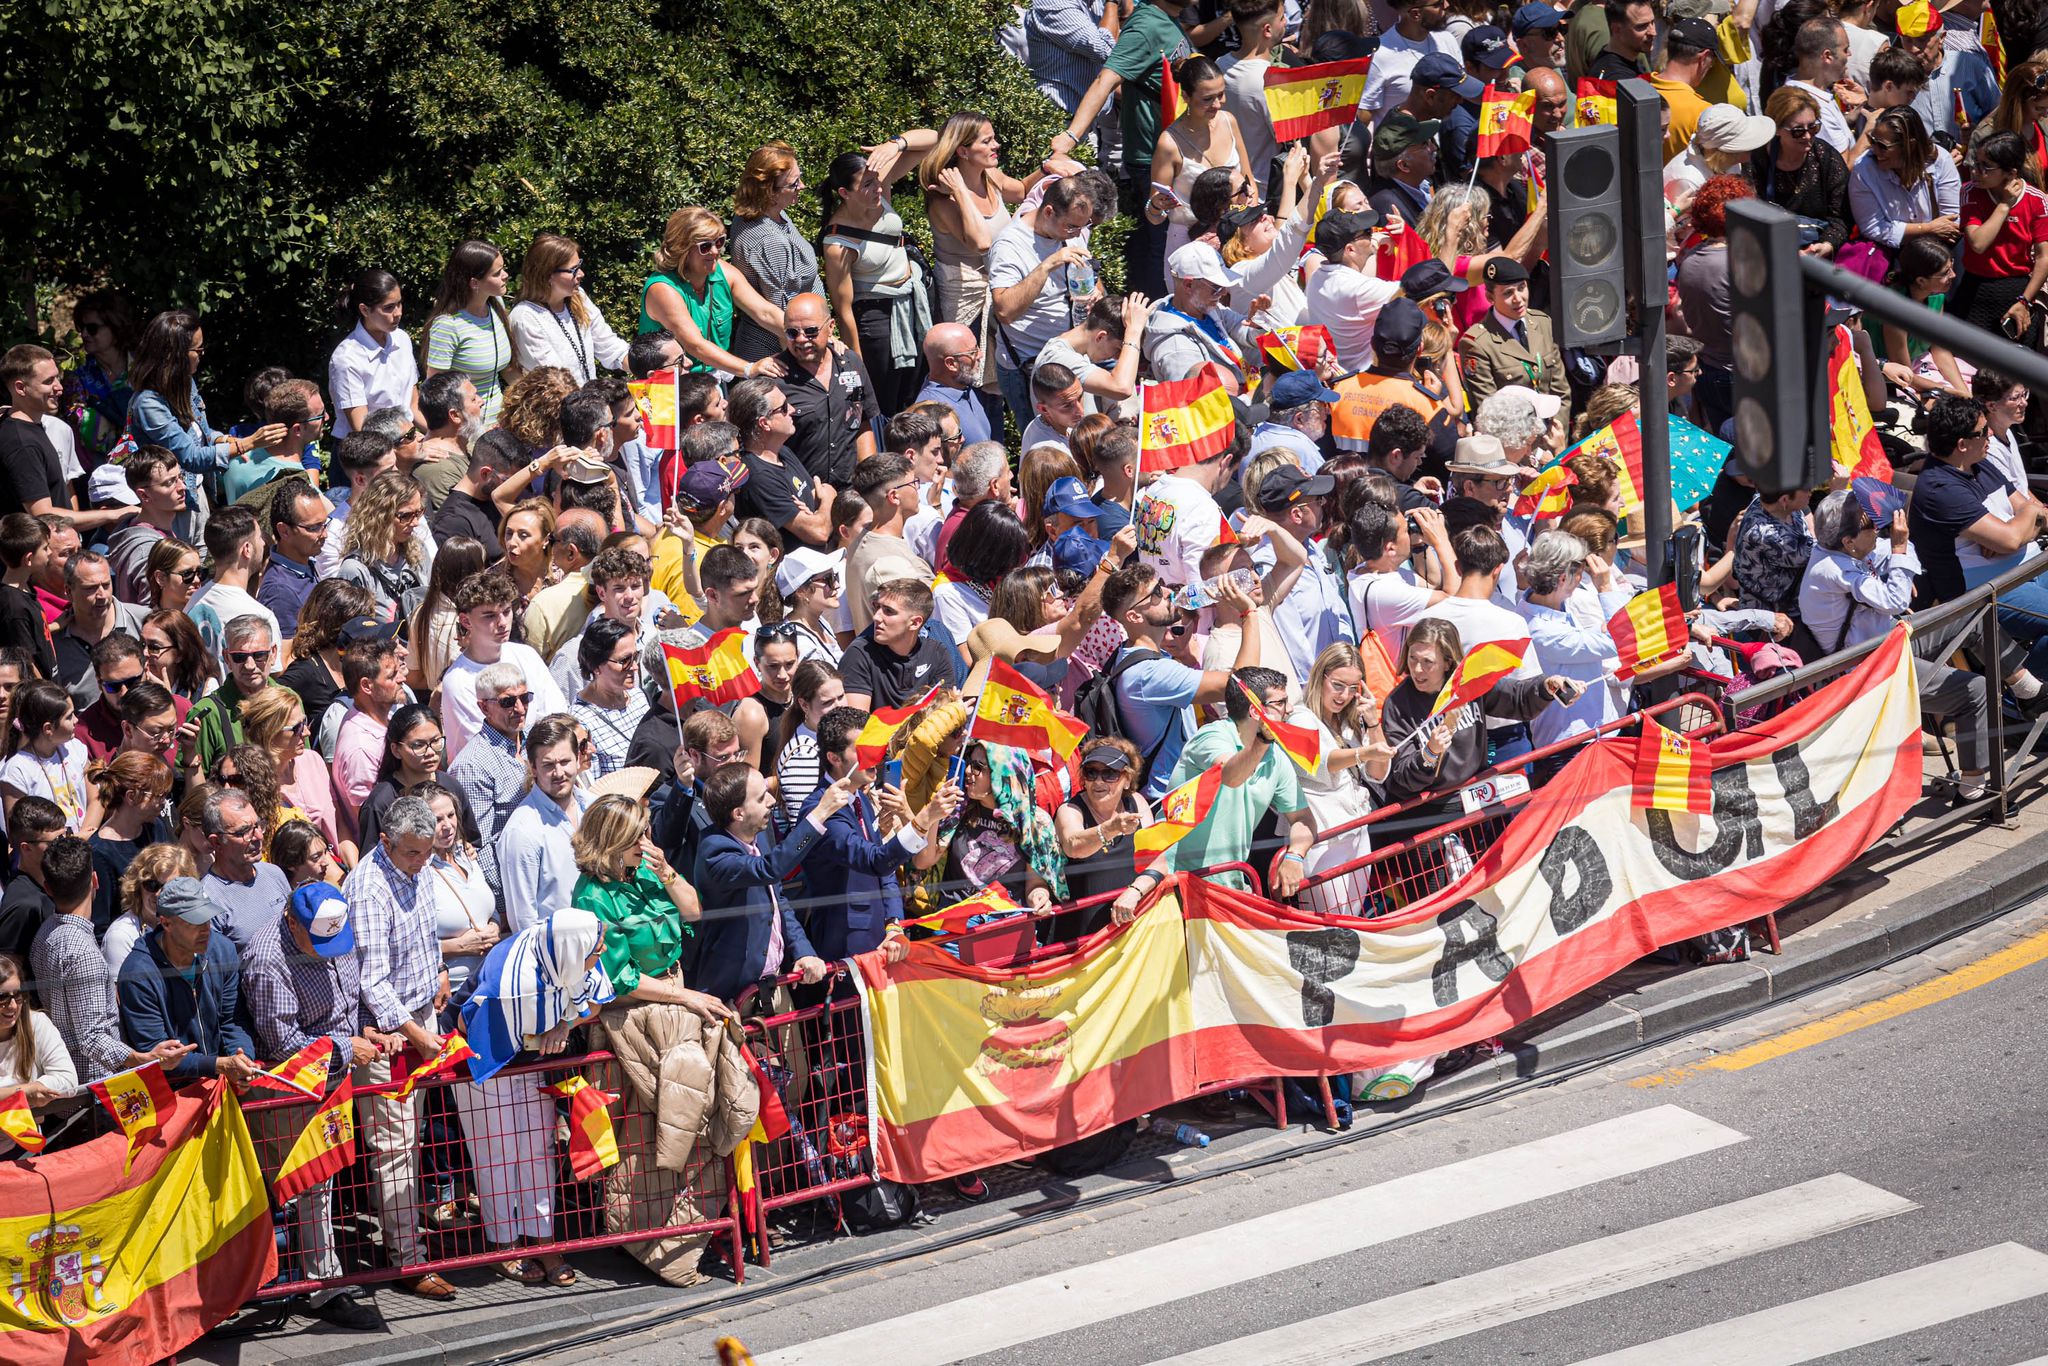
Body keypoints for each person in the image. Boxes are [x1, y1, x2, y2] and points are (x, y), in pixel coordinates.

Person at [236, 881, 385, 1328]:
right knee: (308, 1184)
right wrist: (346, 1047)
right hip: (292, 1090)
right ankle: (322, 1287)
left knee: (321, 1184)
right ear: (292, 923)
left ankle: (323, 1280)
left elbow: (347, 996)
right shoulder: (268, 960)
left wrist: (367, 1028)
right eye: (318, 942)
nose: (328, 951)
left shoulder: (330, 930)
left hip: (331, 1081)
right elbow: (282, 1043)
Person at [456, 905, 614, 1288]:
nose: (602, 953)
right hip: (485, 1054)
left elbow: (598, 998)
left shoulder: (574, 951)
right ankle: (504, 1245)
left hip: (531, 1058)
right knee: (497, 1152)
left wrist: (563, 1022)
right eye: (598, 949)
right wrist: (537, 1031)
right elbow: (467, 1021)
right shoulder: (511, 981)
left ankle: (543, 1239)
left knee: (538, 1150)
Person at [1802, 488, 1991, 797]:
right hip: (1871, 669)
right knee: (1974, 690)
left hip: (1889, 639)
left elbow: (1891, 553)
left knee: (1971, 616)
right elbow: (1897, 594)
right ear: (1848, 541)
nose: (1877, 529)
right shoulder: (1833, 570)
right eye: (1869, 526)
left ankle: (2027, 690)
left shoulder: (1843, 550)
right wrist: (1900, 554)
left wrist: (1898, 557)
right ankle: (1972, 789)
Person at [343, 795, 457, 1300]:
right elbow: (372, 980)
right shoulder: (368, 889)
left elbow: (425, 930)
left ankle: (404, 1238)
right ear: (386, 842)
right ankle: (408, 1261)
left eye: (427, 852)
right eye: (412, 853)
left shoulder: (421, 864)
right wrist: (413, 1032)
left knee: (408, 1141)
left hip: (419, 1017)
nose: (422, 861)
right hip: (386, 1036)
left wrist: (439, 970)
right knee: (394, 1147)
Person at [1113, 665, 1314, 919]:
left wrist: (1295, 855)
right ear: (1256, 710)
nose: (1290, 709)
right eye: (1281, 702)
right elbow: (1230, 775)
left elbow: (1303, 819)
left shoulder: (1275, 756)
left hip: (1229, 891)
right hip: (1174, 890)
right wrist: (1263, 741)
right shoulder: (1211, 736)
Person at [1101, 563, 1264, 798]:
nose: (1168, 593)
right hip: (1171, 800)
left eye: (1162, 587)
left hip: (1172, 793)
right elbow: (1242, 685)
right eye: (1156, 592)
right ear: (1134, 616)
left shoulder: (1129, 655)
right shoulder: (1151, 673)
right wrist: (1249, 614)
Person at [689, 762, 844, 1002]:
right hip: (734, 997)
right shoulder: (714, 852)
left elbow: (778, 901)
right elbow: (769, 869)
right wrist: (818, 815)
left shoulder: (757, 834)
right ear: (738, 813)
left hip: (774, 987)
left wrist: (803, 951)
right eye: (762, 798)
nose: (772, 801)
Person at [115, 870, 261, 1086]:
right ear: (166, 923)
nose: (205, 930)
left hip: (220, 1084)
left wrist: (242, 1057)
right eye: (194, 922)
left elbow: (233, 1020)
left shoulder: (222, 950)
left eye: (208, 920)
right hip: (172, 1094)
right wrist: (219, 1065)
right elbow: (155, 1051)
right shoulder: (138, 973)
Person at [440, 568, 568, 762]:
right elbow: (486, 749)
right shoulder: (458, 681)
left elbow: (558, 714)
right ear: (466, 621)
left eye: (506, 611)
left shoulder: (526, 655)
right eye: (490, 616)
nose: (502, 623)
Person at [729, 143, 823, 362]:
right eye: (794, 183)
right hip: (779, 354)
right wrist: (803, 365)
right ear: (770, 192)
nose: (803, 186)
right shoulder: (769, 240)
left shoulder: (769, 215)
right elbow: (784, 314)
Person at [498, 715, 587, 933]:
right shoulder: (522, 831)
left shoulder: (594, 808)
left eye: (565, 762)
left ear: (577, 759)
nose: (559, 773)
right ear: (533, 768)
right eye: (548, 765)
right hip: (557, 956)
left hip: (606, 950)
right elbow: (523, 921)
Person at [1955, 132, 2048, 339]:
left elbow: (2044, 257)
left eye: (1985, 166)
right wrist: (2005, 205)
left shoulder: (2037, 200)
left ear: (2010, 172)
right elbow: (1978, 243)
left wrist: (2024, 301)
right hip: (1975, 288)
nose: (1975, 171)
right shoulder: (1970, 192)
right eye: (1975, 163)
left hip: (2018, 291)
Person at [507, 232, 628, 384]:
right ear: (547, 274)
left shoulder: (578, 298)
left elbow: (609, 346)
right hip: (560, 405)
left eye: (580, 266)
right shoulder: (526, 318)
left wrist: (645, 368)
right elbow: (556, 382)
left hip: (589, 401)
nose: (581, 274)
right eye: (573, 270)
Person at [1749, 86, 1853, 260]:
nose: (1807, 136)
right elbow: (1748, 214)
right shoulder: (1756, 159)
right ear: (1777, 129)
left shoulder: (1826, 157)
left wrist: (1826, 245)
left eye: (1813, 127)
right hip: (1768, 252)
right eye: (1798, 131)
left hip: (1816, 253)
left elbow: (1841, 217)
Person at [1848, 107, 1962, 261]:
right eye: (1872, 141)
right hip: (1889, 258)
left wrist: (1907, 232)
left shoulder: (1941, 160)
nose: (1874, 150)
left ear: (1910, 145)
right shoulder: (1864, 169)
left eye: (1882, 146)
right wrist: (1928, 228)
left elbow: (1951, 222)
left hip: (1938, 254)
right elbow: (1873, 228)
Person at [421, 240, 515, 422]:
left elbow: (506, 370)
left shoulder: (496, 306)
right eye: (497, 273)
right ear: (474, 283)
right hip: (467, 429)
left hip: (499, 425)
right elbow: (436, 390)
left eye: (503, 269)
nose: (506, 275)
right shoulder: (448, 325)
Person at [81, 750, 171, 932]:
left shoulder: (156, 827)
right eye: (158, 795)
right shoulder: (100, 853)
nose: (164, 802)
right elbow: (101, 923)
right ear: (131, 797)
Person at [1302, 209, 1402, 372]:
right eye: (1368, 233)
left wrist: (1374, 242)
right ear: (1350, 250)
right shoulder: (1357, 290)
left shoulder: (1317, 278)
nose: (1373, 235)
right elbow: (1418, 287)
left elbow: (1354, 273)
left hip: (1338, 377)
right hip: (1362, 380)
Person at [0, 951, 76, 1151]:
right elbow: (31, 1091)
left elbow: (68, 1080)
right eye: (2, 998)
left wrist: (36, 1088)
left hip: (22, 1147)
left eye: (18, 995)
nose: (13, 1006)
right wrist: (26, 1093)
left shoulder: (36, 1023)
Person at [1, 680, 91, 837]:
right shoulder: (17, 770)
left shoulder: (74, 748)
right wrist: (68, 841)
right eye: (69, 717)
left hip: (83, 844)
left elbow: (96, 798)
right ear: (48, 728)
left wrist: (85, 835)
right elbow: (17, 834)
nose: (77, 720)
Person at [103, 843, 196, 977]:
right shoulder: (121, 936)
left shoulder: (195, 926)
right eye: (151, 885)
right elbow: (123, 996)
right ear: (137, 886)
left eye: (170, 886)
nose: (158, 893)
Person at [0, 797, 63, 964]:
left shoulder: (51, 886)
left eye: (66, 836)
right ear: (26, 848)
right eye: (55, 842)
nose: (64, 846)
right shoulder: (24, 906)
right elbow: (9, 976)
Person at [915, 323, 998, 446]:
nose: (980, 355)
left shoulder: (962, 386)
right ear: (951, 364)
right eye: (973, 352)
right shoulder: (932, 413)